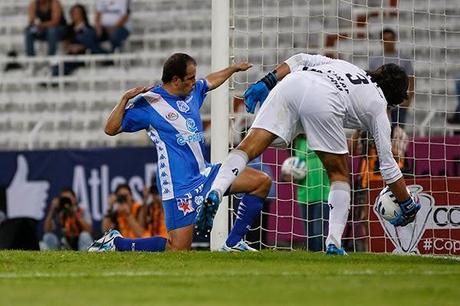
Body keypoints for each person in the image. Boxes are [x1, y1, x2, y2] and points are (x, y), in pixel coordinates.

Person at [202, 53, 421, 255]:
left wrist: (267, 81)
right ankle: (334, 243)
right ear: (394, 96)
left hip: (291, 85)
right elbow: (388, 166)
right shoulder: (378, 106)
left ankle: (216, 191)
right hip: (324, 99)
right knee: (339, 175)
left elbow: (300, 58)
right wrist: (406, 203)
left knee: (248, 147)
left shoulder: (347, 66)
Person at [89, 53, 271, 252]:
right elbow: (110, 128)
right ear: (176, 80)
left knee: (261, 182)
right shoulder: (150, 103)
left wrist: (233, 69)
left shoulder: (192, 92)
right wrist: (124, 99)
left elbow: (210, 81)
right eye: (191, 78)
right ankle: (115, 242)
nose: (195, 82)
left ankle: (233, 242)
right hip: (178, 185)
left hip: (205, 173)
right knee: (177, 249)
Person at [283, 136, 330, 252]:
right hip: (304, 195)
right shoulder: (297, 143)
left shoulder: (322, 139)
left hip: (323, 193)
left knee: (318, 232)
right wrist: (288, 176)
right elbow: (289, 169)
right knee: (309, 233)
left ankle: (321, 255)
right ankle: (313, 258)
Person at [369, 28, 415, 129]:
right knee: (381, 131)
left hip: (400, 103)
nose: (388, 42)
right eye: (385, 39)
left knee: (397, 132)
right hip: (381, 103)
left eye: (390, 38)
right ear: (381, 41)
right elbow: (371, 82)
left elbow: (411, 78)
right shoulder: (374, 60)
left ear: (395, 39)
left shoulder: (404, 58)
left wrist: (409, 100)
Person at [52, 4, 106, 76]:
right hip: (70, 55)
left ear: (82, 14)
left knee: (86, 36)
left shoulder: (89, 29)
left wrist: (81, 47)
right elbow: (64, 43)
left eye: (77, 13)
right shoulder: (68, 29)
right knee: (63, 65)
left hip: (84, 54)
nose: (75, 15)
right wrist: (70, 47)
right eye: (73, 13)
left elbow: (93, 43)